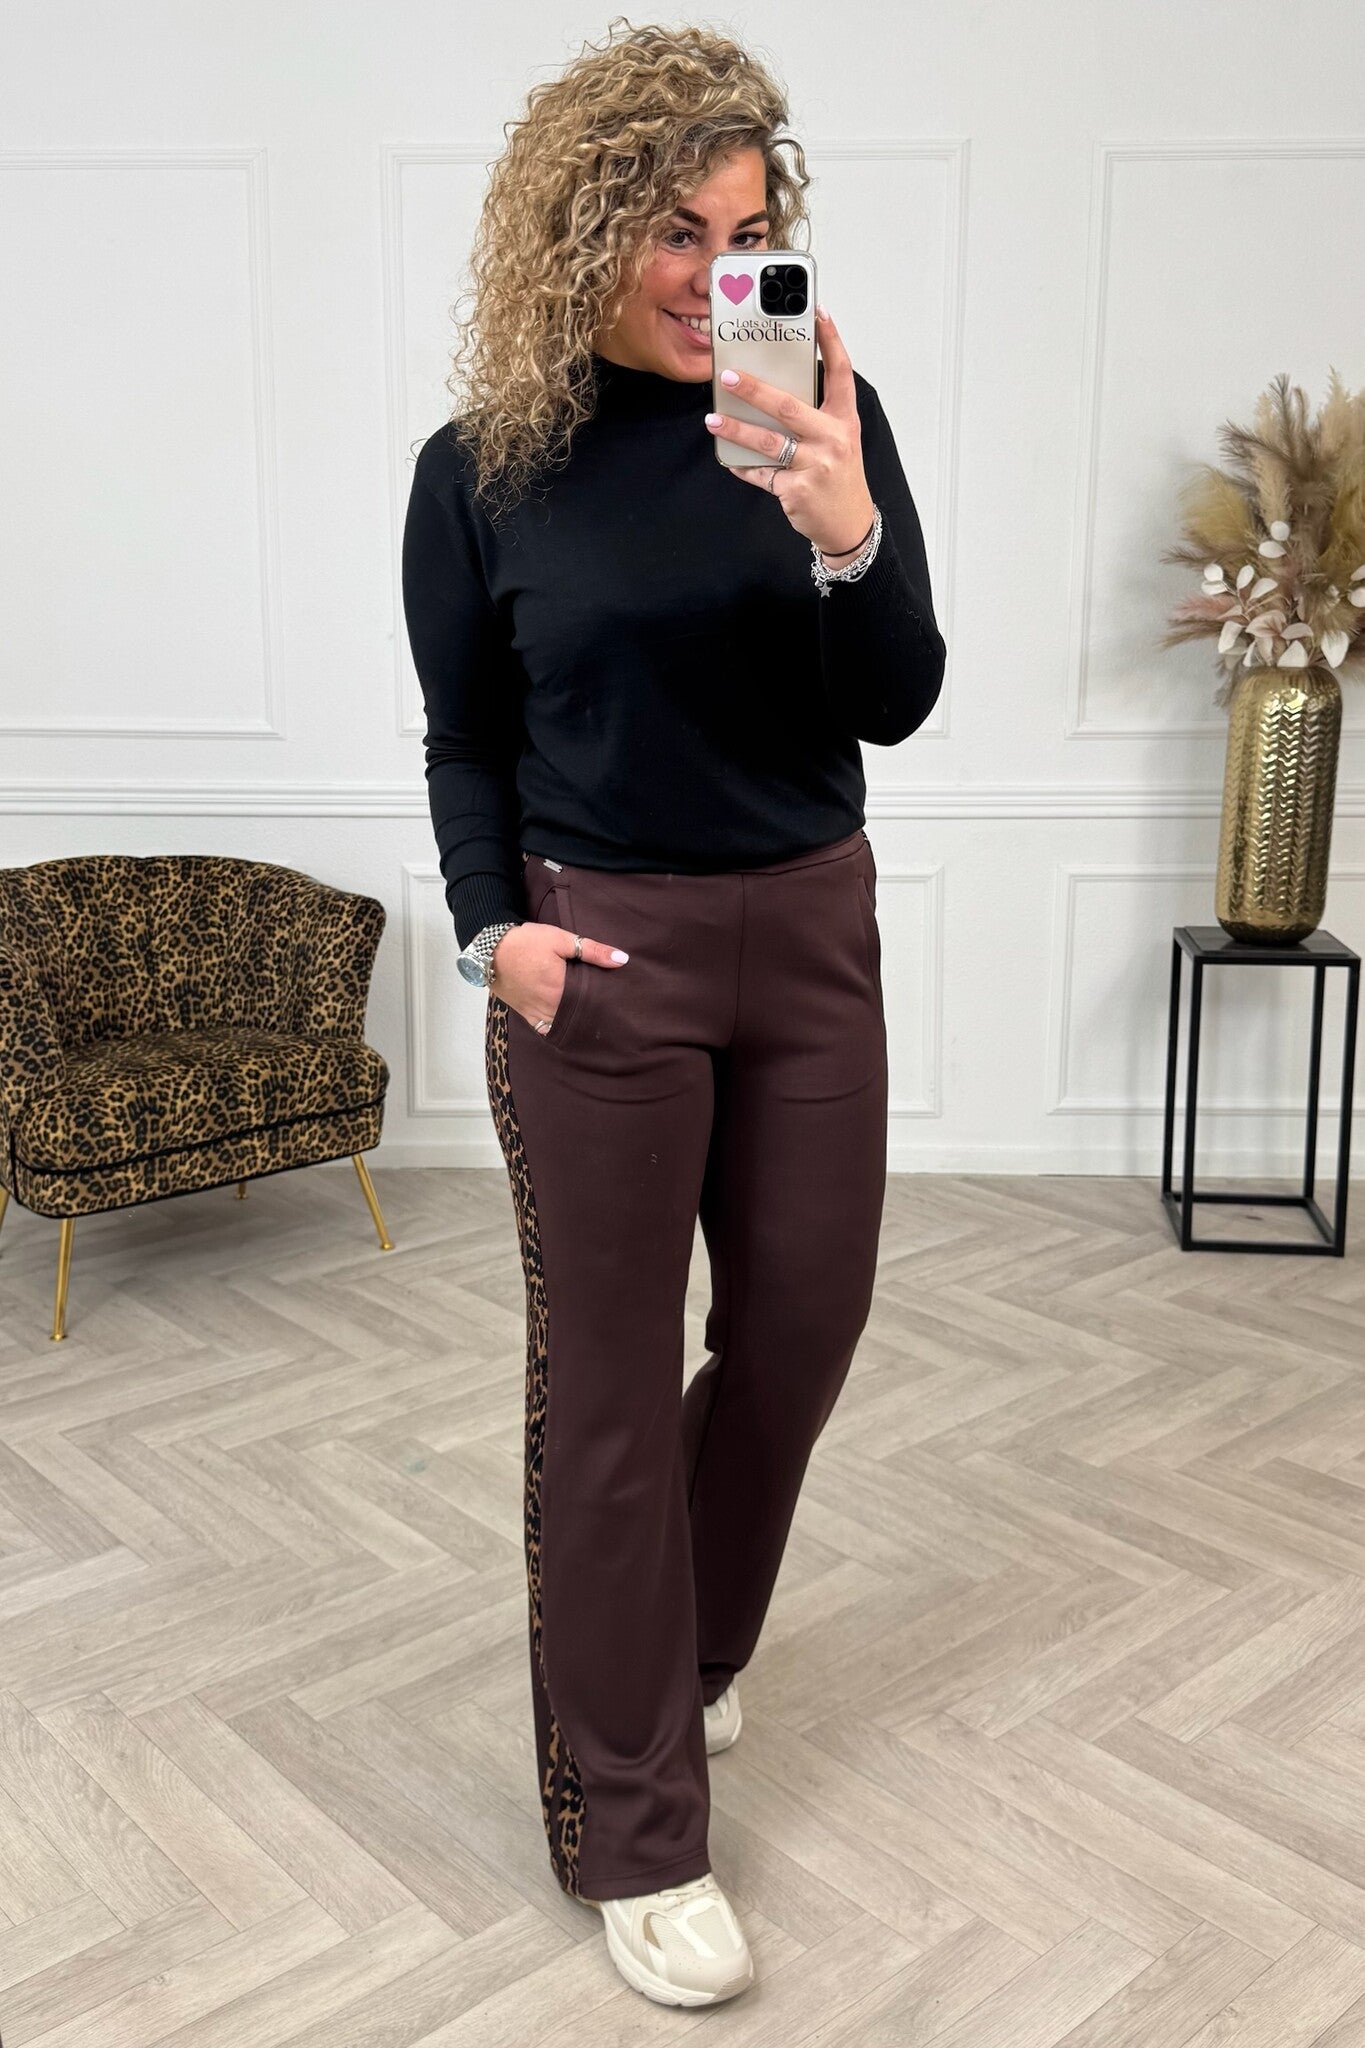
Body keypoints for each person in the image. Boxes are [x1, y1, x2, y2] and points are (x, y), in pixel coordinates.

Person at [401, 18, 945, 2010]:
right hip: (599, 956)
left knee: (804, 1322)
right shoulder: (480, 473)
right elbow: (465, 740)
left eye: (744, 232)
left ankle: (677, 1647)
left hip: (808, 938)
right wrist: (496, 935)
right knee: (611, 1393)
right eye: (673, 230)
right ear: (580, 231)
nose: (716, 271)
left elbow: (895, 697)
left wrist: (842, 528)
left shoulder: (823, 420)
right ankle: (632, 1824)